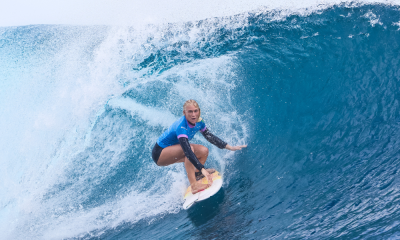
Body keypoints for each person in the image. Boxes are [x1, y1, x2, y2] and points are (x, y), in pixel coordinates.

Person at [152, 99, 247, 194]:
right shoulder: (181, 127)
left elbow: (210, 137)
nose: (193, 114)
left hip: (174, 149)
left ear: (199, 111)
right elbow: (187, 151)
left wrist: (229, 147)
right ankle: (194, 185)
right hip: (160, 153)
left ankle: (197, 173)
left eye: (195, 111)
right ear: (184, 112)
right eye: (190, 111)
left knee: (203, 151)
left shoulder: (199, 122)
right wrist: (203, 168)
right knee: (190, 149)